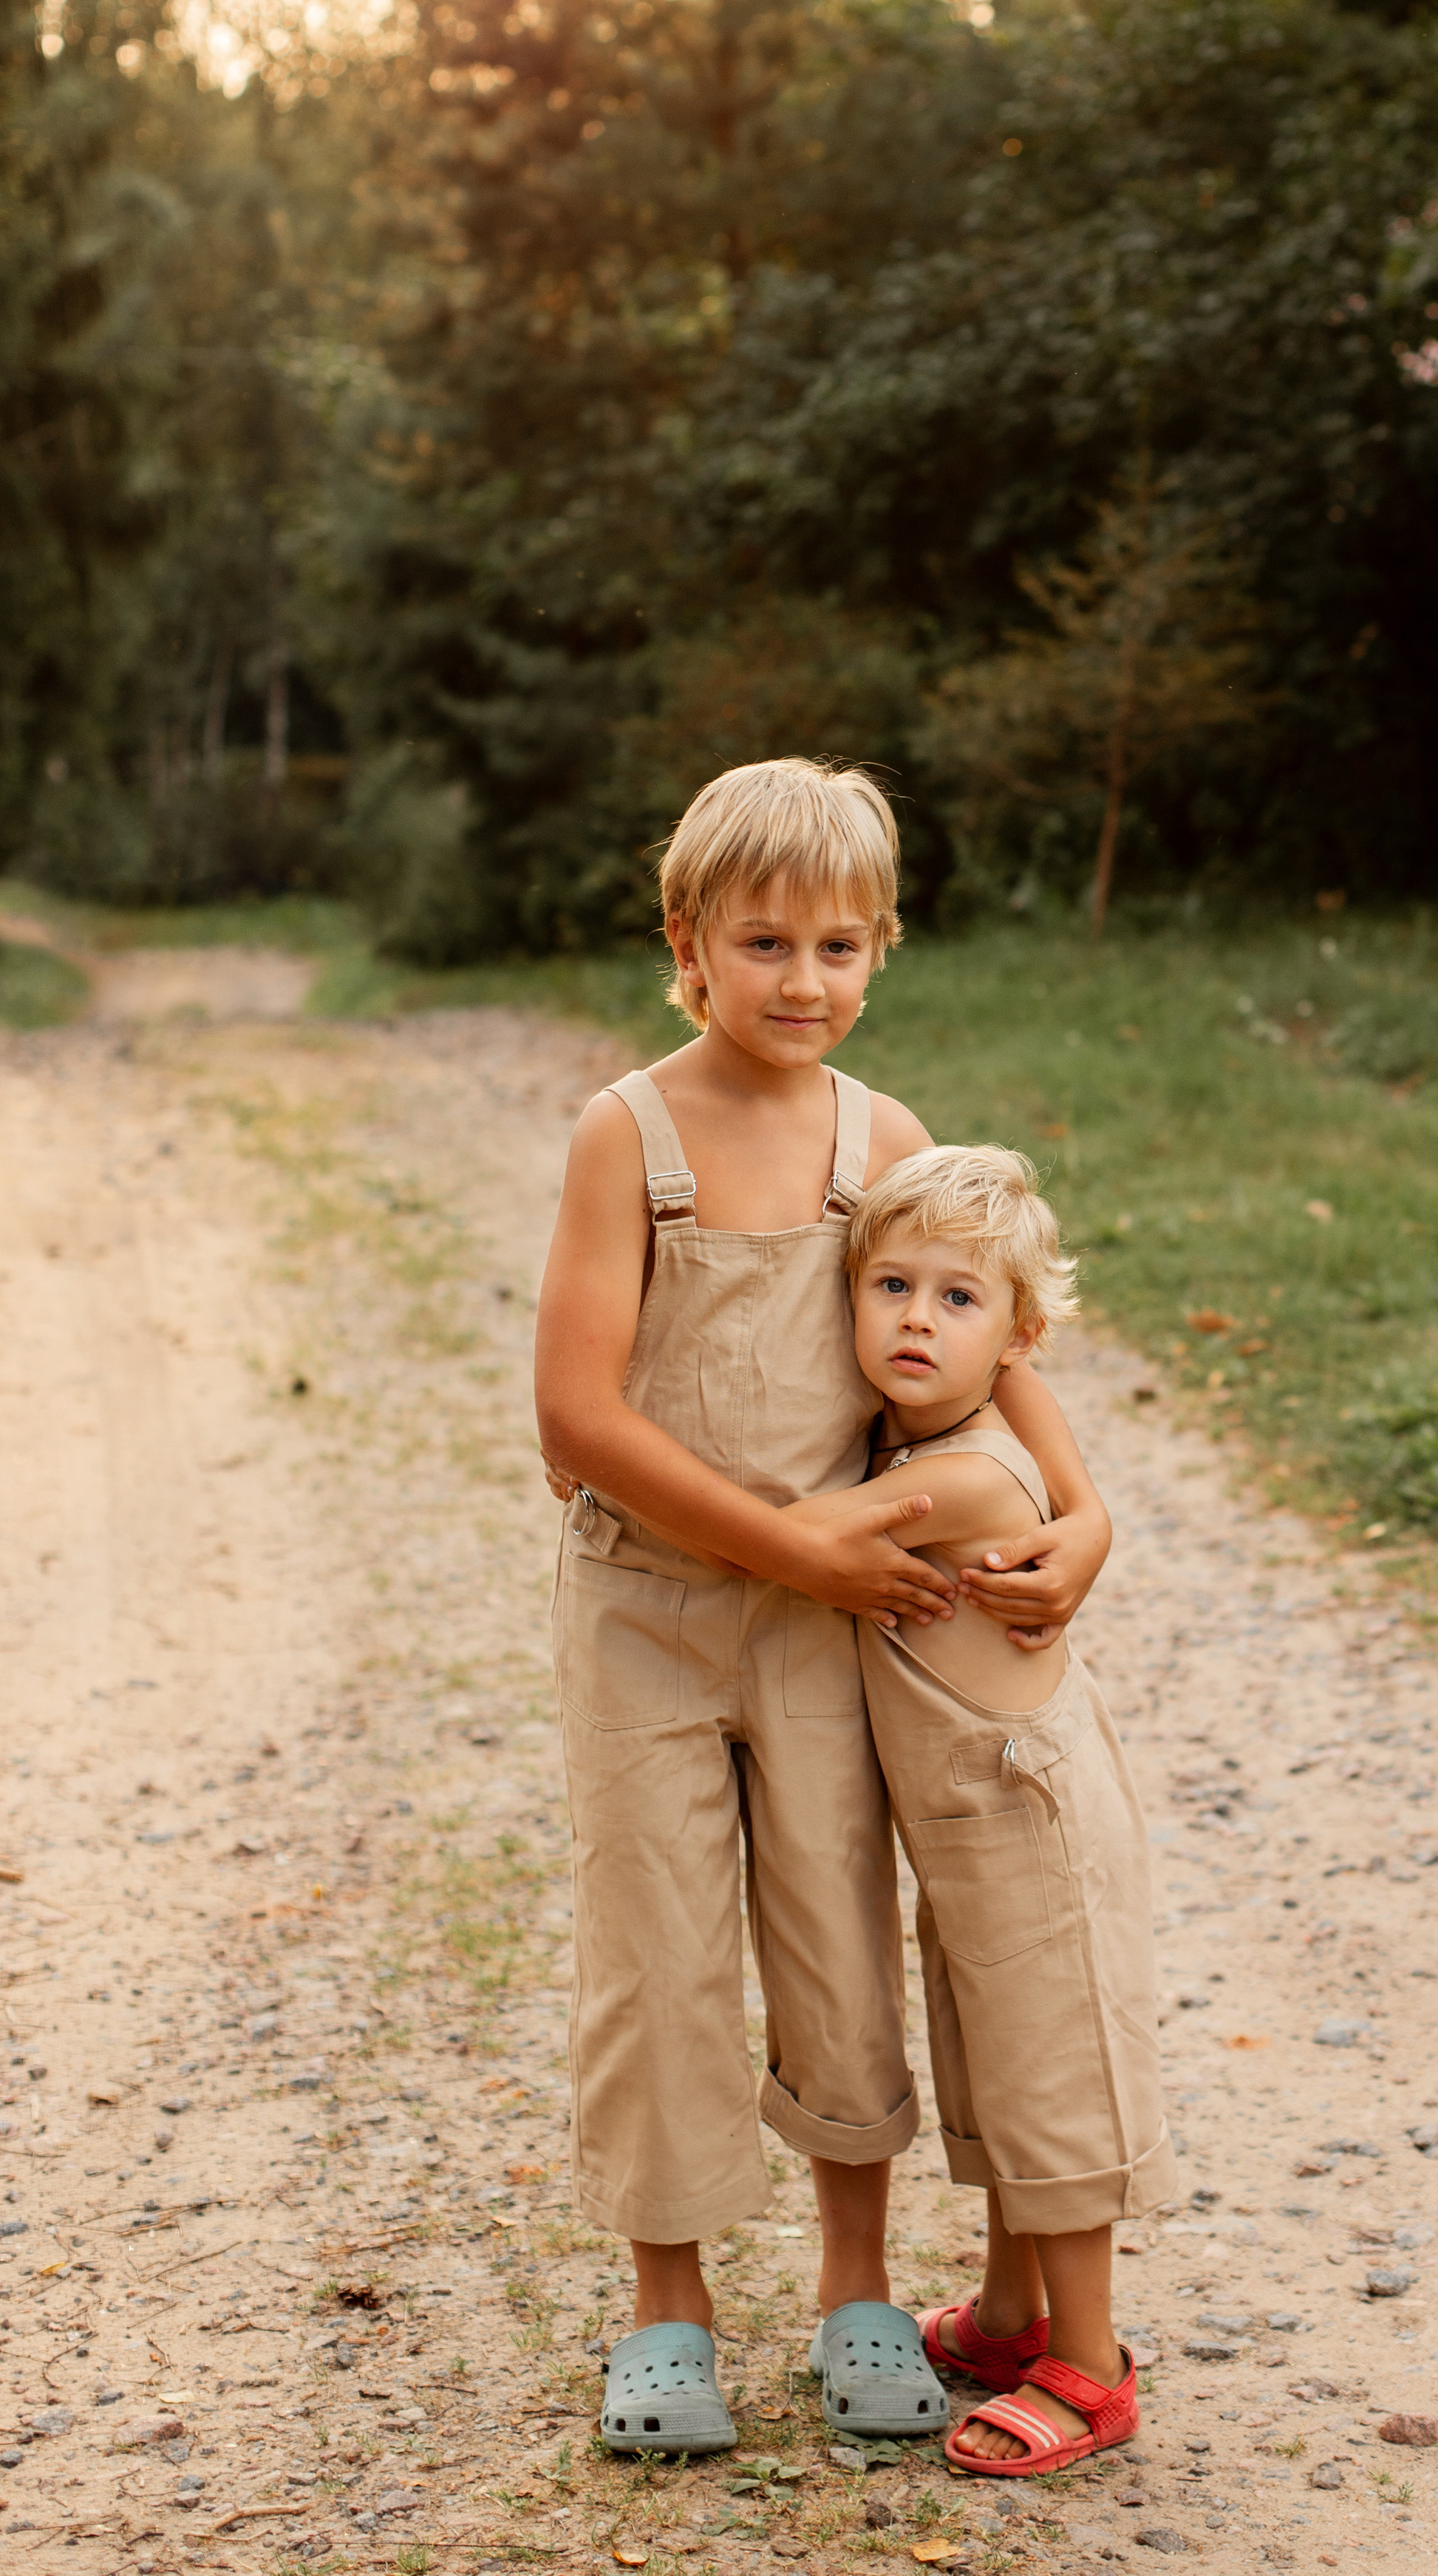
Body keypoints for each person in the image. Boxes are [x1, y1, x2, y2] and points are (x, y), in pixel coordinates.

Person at [532, 760, 1114, 2456]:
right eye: (763, 941)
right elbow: (577, 1416)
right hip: (649, 1605)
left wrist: (1086, 1520)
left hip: (828, 1627)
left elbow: (992, 1351)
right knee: (653, 1941)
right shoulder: (625, 1133)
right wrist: (787, 1549)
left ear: (882, 952)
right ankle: (666, 2310)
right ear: (686, 943)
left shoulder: (890, 1146)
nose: (801, 981)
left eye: (839, 946)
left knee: (837, 1927)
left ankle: (855, 2293)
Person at [777, 1144, 1173, 2476]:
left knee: (1054, 2073)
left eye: (958, 1300)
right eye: (890, 1285)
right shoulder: (926, 1422)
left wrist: (617, 1477)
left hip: (1029, 1811)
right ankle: (1008, 2318)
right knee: (997, 2058)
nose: (913, 1319)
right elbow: (1000, 1368)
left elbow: (810, 1533)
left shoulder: (963, 1477)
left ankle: (1094, 2362)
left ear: (1013, 1335)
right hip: (965, 1819)